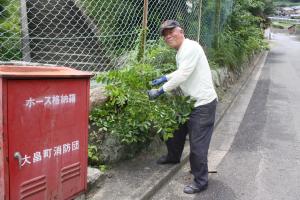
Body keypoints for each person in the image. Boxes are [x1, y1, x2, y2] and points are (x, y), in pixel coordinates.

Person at [147, 20, 218, 194]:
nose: (168, 36)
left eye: (171, 32)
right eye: (165, 34)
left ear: (181, 31)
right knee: (173, 129)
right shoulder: (182, 51)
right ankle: (173, 157)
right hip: (189, 103)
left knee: (197, 146)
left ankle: (201, 181)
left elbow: (184, 74)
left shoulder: (191, 47)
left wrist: (160, 90)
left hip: (203, 104)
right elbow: (182, 71)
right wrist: (165, 77)